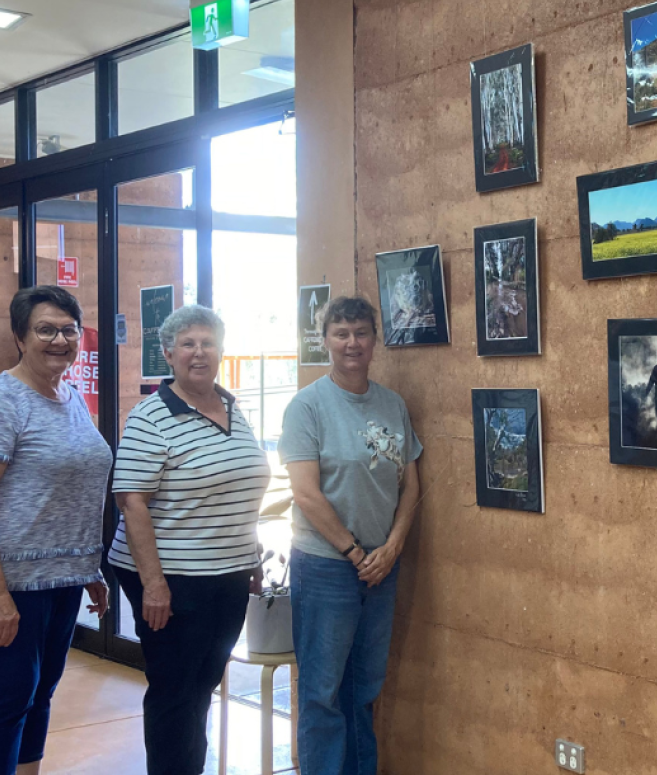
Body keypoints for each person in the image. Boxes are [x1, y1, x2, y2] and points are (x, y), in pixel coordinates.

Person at [108, 305, 271, 775]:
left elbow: (239, 488)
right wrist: (153, 584)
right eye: (188, 344)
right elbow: (131, 501)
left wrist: (251, 555)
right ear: (168, 354)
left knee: (203, 684)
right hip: (172, 577)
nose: (199, 353)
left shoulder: (233, 407)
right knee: (176, 692)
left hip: (228, 572)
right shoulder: (151, 416)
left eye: (208, 343)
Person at [279, 296, 423, 775]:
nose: (352, 343)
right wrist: (356, 552)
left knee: (364, 689)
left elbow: (412, 485)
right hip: (327, 566)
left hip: (382, 567)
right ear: (325, 342)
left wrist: (394, 546)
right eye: (341, 334)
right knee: (322, 693)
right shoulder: (307, 407)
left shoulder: (392, 404)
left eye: (361, 332)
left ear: (374, 340)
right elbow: (306, 493)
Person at [0, 287, 112, 775]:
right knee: (8, 704)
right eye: (45, 329)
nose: (60, 339)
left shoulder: (70, 398)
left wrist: (88, 567)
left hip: (65, 578)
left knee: (40, 694)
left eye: (69, 329)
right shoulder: (7, 400)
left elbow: (72, 488)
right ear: (21, 337)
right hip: (16, 584)